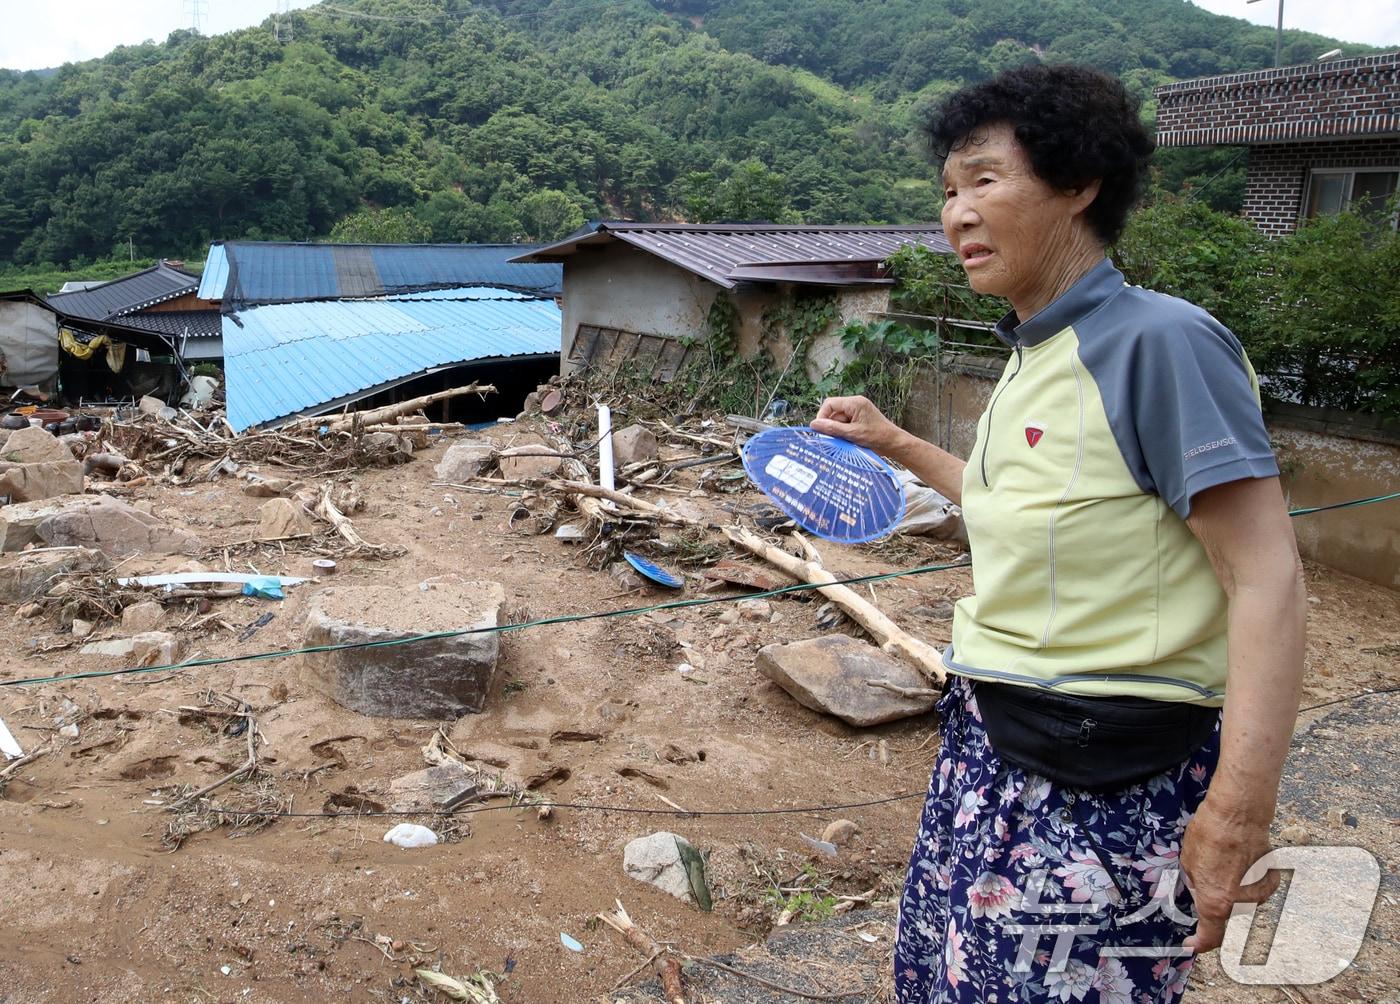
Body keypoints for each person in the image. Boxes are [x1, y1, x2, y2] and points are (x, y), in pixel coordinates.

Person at [811, 64, 1307, 1003]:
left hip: (1107, 779)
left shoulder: (1159, 342)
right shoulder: (1035, 352)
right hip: (990, 748)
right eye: (949, 190)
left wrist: (1239, 808)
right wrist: (898, 441)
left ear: (1080, 182)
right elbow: (1017, 510)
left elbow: (1265, 577)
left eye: (984, 180)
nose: (956, 212)